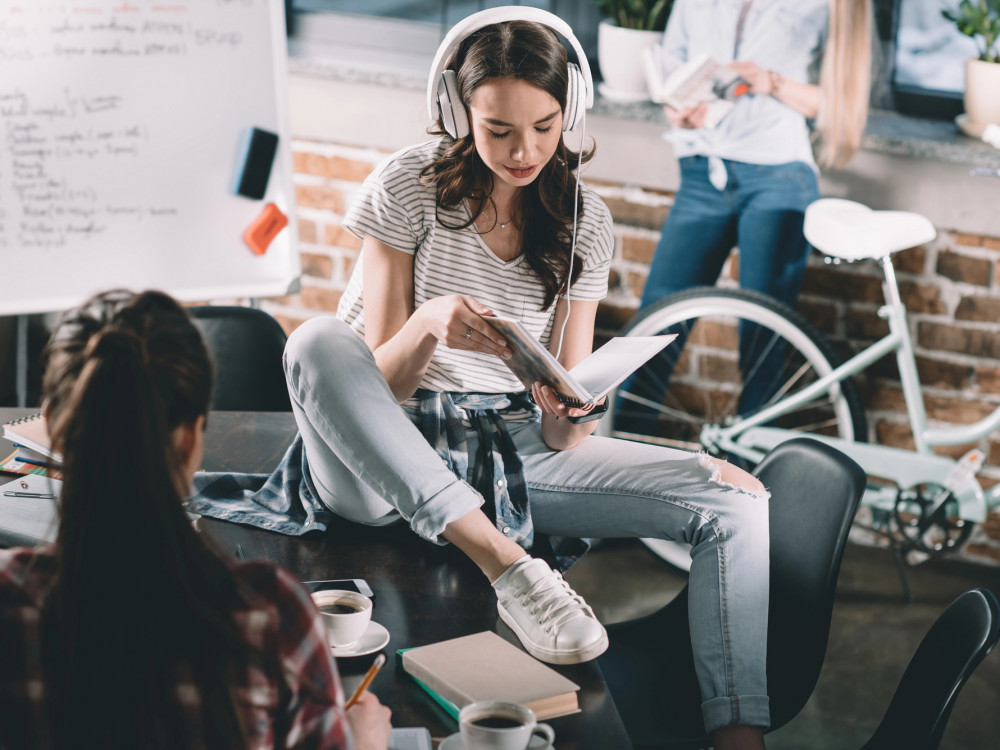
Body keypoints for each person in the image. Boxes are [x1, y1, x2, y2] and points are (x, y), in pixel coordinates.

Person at [284, 7, 772, 748]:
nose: (525, 150)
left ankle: (740, 740)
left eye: (544, 127)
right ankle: (510, 568)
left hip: (505, 448)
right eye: (500, 129)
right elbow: (373, 385)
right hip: (379, 455)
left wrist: (573, 410)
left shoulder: (585, 218)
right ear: (459, 110)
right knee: (317, 341)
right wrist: (426, 325)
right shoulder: (407, 186)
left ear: (568, 110)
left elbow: (563, 434)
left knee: (732, 507)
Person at [0, 289, 392, 750]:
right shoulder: (272, 616)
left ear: (55, 428)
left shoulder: (11, 602)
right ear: (193, 438)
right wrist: (363, 743)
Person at [638, 0, 873, 409]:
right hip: (702, 172)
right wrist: (678, 108)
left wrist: (772, 82)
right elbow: (672, 68)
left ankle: (754, 469)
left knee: (763, 337)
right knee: (653, 325)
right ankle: (612, 454)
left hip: (778, 177)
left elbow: (842, 105)